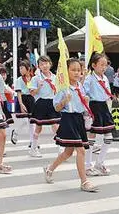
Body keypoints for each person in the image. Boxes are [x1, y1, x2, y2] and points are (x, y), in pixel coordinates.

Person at [42, 58, 98, 193]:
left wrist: (86, 101)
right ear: (66, 72)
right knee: (81, 150)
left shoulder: (81, 86)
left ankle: (49, 169)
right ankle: (84, 181)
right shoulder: (63, 88)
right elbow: (56, 108)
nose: (77, 73)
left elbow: (83, 105)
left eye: (79, 70)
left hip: (78, 120)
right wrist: (64, 100)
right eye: (73, 70)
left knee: (68, 152)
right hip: (68, 119)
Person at [84, 53, 115, 176]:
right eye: (101, 65)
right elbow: (84, 94)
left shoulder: (105, 78)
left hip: (103, 107)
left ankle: (99, 163)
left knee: (109, 137)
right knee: (91, 137)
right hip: (93, 106)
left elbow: (107, 93)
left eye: (105, 65)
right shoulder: (89, 78)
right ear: (93, 65)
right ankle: (87, 166)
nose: (104, 67)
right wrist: (86, 111)